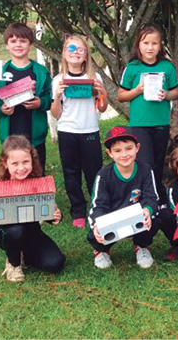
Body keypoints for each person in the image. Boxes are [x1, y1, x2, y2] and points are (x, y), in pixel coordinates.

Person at [0, 136, 65, 282]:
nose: (21, 168)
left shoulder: (38, 182)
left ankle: (25, 254)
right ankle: (14, 263)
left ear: (32, 160)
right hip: (7, 234)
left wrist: (56, 216)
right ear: (5, 163)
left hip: (33, 234)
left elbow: (45, 211)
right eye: (15, 163)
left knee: (55, 263)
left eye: (25, 162)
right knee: (16, 230)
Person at [51, 35, 109, 228]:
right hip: (67, 131)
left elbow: (102, 108)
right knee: (71, 172)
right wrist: (57, 96)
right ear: (64, 54)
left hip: (90, 130)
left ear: (86, 55)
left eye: (80, 49)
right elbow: (56, 114)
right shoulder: (58, 80)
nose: (75, 52)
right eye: (71, 48)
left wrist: (103, 93)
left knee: (94, 172)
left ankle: (98, 207)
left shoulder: (94, 78)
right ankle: (78, 210)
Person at [118, 25, 178, 198]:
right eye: (146, 43)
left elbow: (175, 92)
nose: (150, 47)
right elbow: (121, 95)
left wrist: (167, 95)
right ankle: (145, 196)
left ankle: (158, 196)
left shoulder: (167, 66)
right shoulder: (132, 67)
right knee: (146, 162)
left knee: (158, 162)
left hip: (161, 122)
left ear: (160, 46)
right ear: (138, 44)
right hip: (140, 124)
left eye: (154, 43)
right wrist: (137, 90)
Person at [87, 126, 160, 269]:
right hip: (112, 216)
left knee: (155, 216)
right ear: (109, 153)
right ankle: (101, 250)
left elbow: (152, 197)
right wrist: (96, 224)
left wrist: (148, 210)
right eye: (117, 151)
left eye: (129, 148)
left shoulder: (145, 169)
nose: (124, 154)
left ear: (137, 148)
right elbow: (98, 206)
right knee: (96, 226)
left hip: (136, 216)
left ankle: (141, 246)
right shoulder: (103, 175)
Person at [0, 22, 52, 170]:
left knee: (37, 174)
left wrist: (40, 103)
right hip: (9, 136)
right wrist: (1, 108)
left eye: (23, 41)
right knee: (12, 175)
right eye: (13, 41)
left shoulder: (41, 72)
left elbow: (51, 99)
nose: (18, 45)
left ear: (30, 45)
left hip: (35, 136)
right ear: (7, 45)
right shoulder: (0, 73)